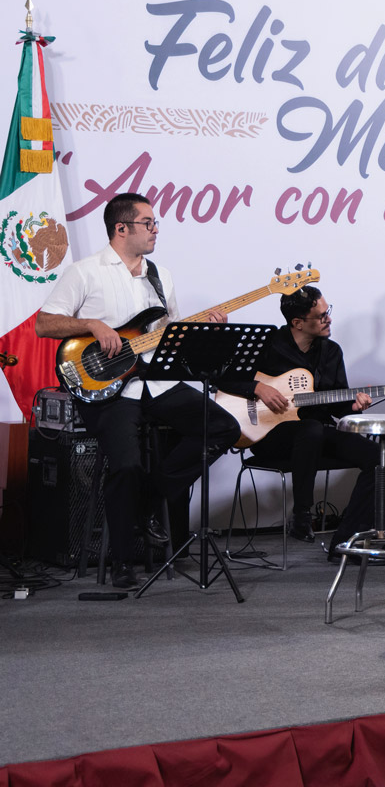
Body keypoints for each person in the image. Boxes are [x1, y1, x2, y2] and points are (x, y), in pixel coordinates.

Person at [36, 192, 239, 588]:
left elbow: (170, 337)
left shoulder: (160, 276)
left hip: (156, 381)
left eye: (154, 222)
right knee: (126, 463)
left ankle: (150, 498)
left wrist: (204, 331)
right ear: (121, 228)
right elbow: (45, 324)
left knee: (222, 428)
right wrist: (92, 325)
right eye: (149, 223)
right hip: (109, 387)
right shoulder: (86, 272)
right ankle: (122, 559)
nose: (155, 229)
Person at [222, 286, 382, 552]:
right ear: (297, 323)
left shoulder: (331, 352)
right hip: (269, 437)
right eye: (321, 316)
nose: (328, 319)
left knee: (377, 458)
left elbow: (340, 408)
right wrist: (258, 388)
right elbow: (222, 377)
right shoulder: (266, 344)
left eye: (327, 312)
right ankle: (302, 514)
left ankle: (347, 540)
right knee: (311, 428)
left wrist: (355, 406)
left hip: (316, 434)